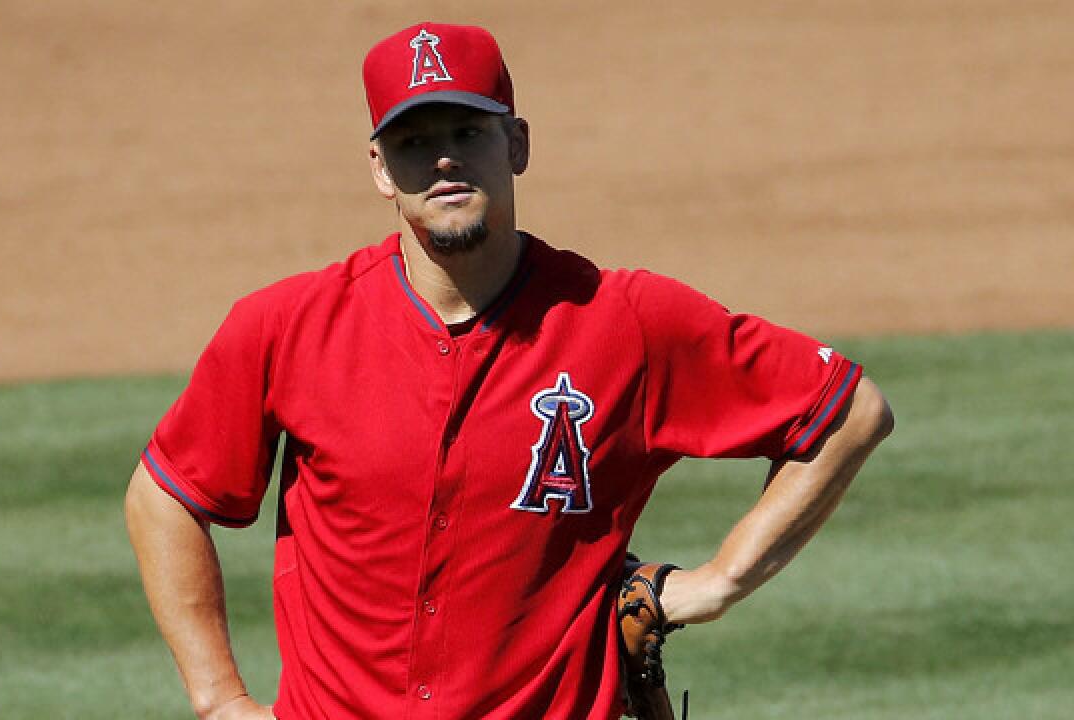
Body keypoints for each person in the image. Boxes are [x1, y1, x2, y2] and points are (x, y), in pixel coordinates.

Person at [125, 22, 894, 720]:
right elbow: (165, 495)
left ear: (518, 144)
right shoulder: (288, 327)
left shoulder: (624, 321)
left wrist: (720, 582)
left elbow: (846, 412)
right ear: (380, 168)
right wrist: (220, 697)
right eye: (414, 142)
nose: (444, 159)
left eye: (468, 130)